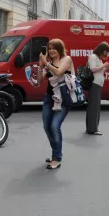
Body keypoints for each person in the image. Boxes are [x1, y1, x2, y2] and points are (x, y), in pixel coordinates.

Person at [36, 38, 73, 169]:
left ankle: (57, 158)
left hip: (63, 99)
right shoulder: (49, 62)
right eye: (49, 48)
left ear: (60, 49)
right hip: (49, 98)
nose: (51, 50)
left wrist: (45, 62)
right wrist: (41, 66)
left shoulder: (66, 59)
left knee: (54, 126)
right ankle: (55, 155)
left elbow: (58, 72)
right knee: (47, 127)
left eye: (54, 48)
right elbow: (39, 81)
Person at [85, 42, 109, 135]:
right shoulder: (93, 57)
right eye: (105, 51)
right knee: (94, 107)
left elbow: (99, 71)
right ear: (101, 49)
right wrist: (104, 65)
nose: (106, 54)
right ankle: (92, 129)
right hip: (94, 84)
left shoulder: (98, 58)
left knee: (96, 107)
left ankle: (93, 127)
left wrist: (106, 68)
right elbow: (93, 69)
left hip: (98, 84)